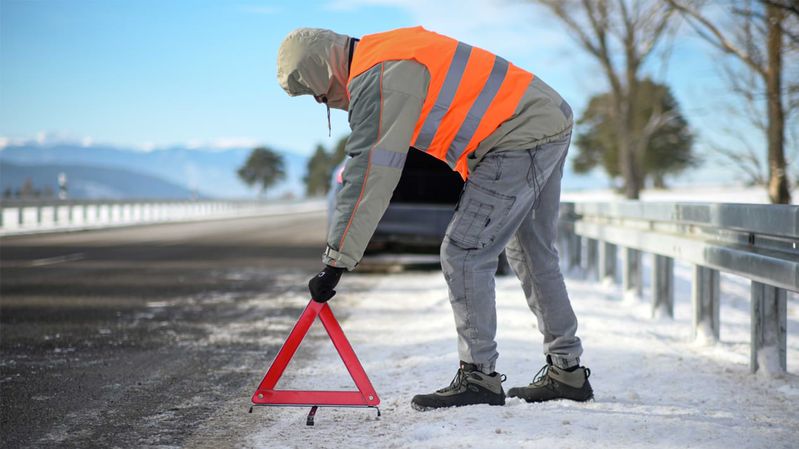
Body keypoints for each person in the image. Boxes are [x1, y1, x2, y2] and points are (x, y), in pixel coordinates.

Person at [277, 27, 592, 411]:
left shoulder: (379, 75)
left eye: (317, 93)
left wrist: (336, 262)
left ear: (322, 71)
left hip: (516, 136)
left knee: (463, 252)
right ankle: (567, 371)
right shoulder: (386, 49)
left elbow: (370, 172)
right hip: (544, 118)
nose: (321, 101)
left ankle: (479, 377)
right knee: (531, 251)